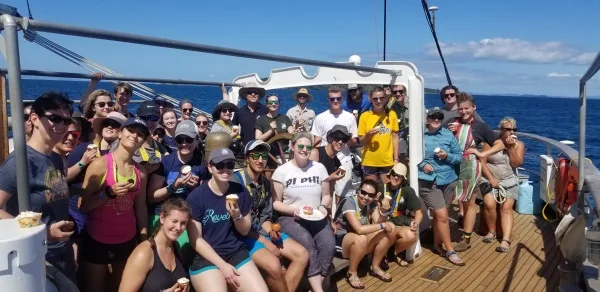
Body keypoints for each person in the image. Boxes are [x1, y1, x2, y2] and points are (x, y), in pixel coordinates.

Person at [0, 92, 75, 280]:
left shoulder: (57, 158)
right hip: (34, 257)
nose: (61, 126)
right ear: (34, 118)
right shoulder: (20, 162)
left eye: (66, 121)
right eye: (55, 119)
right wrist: (42, 232)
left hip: (61, 251)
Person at [79, 117, 150, 292]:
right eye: (131, 131)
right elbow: (82, 205)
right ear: (120, 133)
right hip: (97, 239)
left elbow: (140, 207)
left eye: (140, 134)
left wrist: (143, 239)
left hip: (126, 240)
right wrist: (108, 193)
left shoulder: (141, 172)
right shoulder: (100, 165)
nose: (135, 136)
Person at [186, 147, 268, 292]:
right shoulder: (196, 197)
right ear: (210, 167)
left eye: (229, 165)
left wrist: (237, 216)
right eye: (219, 165)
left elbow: (244, 231)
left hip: (234, 251)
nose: (225, 169)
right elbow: (196, 240)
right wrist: (222, 266)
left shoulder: (240, 191)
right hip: (205, 257)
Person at [233, 140, 309, 292]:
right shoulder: (235, 182)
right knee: (275, 265)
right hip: (243, 235)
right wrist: (264, 241)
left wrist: (270, 232)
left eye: (264, 155)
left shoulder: (265, 183)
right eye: (255, 155)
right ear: (247, 158)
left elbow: (264, 215)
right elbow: (236, 223)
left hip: (260, 231)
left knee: (302, 254)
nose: (260, 160)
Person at [272, 132, 335, 292]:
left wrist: (322, 208)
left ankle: (316, 283)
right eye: (300, 146)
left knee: (329, 244)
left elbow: (327, 195)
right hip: (290, 218)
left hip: (316, 215)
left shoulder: (319, 168)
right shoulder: (282, 171)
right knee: (308, 243)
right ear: (292, 147)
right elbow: (276, 203)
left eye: (308, 147)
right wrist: (295, 211)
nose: (304, 150)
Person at [147, 120, 208, 266]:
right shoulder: (166, 162)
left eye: (189, 139)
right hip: (162, 213)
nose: (185, 143)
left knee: (186, 247)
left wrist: (194, 190)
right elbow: (152, 197)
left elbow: (204, 199)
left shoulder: (201, 165)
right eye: (180, 139)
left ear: (197, 140)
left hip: (187, 215)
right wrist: (173, 186)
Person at [451, 93, 503, 253]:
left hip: (470, 167)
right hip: (452, 165)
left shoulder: (481, 126)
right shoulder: (452, 123)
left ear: (474, 107)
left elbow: (500, 144)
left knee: (469, 203)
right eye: (461, 109)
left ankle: (466, 239)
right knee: (455, 200)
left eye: (467, 108)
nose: (464, 111)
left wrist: (482, 154)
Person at [469, 117, 524, 253]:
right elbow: (482, 161)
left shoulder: (519, 145)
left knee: (506, 208)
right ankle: (492, 231)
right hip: (489, 178)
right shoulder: (491, 143)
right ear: (501, 130)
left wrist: (511, 148)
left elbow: (517, 164)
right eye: (507, 129)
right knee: (489, 204)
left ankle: (505, 240)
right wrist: (491, 179)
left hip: (509, 180)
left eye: (513, 130)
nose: (511, 132)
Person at [418, 108, 464, 266]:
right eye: (433, 117)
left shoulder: (447, 135)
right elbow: (412, 155)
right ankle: (450, 250)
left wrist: (447, 156)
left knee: (439, 217)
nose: (436, 119)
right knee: (443, 216)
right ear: (427, 118)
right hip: (429, 182)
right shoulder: (420, 135)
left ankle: (436, 244)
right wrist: (423, 164)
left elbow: (458, 157)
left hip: (448, 180)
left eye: (439, 117)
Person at [333, 179, 396, 289]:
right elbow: (359, 229)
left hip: (357, 241)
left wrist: (383, 212)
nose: (366, 197)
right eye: (363, 193)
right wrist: (383, 225)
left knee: (384, 234)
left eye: (370, 195)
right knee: (362, 237)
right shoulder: (349, 202)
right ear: (358, 191)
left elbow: (378, 223)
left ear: (374, 196)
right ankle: (351, 273)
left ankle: (375, 266)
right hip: (339, 241)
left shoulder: (371, 203)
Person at [119, 198, 190, 292]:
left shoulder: (175, 247)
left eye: (183, 223)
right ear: (162, 218)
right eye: (174, 221)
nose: (178, 227)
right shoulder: (144, 252)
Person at [311, 86, 359, 198]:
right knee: (324, 193)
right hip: (325, 161)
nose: (335, 101)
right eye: (332, 99)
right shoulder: (320, 118)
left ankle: (337, 215)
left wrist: (348, 138)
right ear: (328, 99)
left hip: (344, 161)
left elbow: (353, 142)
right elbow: (317, 142)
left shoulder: (350, 118)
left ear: (342, 99)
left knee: (342, 195)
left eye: (338, 98)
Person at [380, 163, 422, 266]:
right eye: (394, 174)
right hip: (385, 222)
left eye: (399, 176)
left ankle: (394, 253)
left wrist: (416, 222)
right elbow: (372, 210)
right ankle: (381, 256)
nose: (395, 177)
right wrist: (381, 207)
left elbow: (418, 212)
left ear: (403, 179)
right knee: (386, 230)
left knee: (411, 235)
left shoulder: (407, 190)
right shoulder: (381, 188)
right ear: (390, 175)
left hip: (400, 223)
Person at [358, 86, 399, 184]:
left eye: (381, 98)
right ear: (370, 99)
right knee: (370, 192)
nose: (378, 101)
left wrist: (396, 158)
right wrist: (368, 135)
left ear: (386, 99)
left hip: (387, 161)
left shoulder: (392, 114)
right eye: (375, 98)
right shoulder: (365, 116)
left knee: (388, 190)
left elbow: (395, 137)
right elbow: (361, 141)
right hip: (369, 161)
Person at [387, 84, 409, 163]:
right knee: (399, 154)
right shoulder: (392, 106)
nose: (398, 94)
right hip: (401, 135)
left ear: (405, 92)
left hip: (414, 136)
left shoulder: (414, 103)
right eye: (395, 92)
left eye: (400, 91)